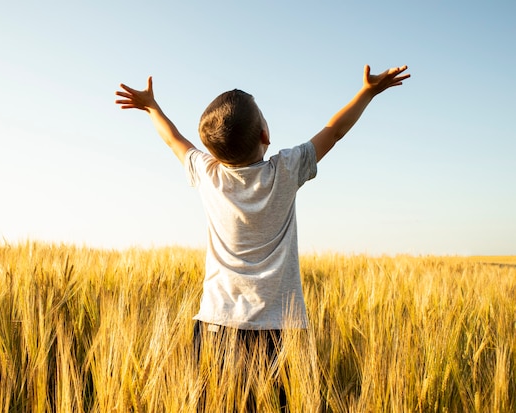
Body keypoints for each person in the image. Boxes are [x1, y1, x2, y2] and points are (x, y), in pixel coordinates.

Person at [115, 64, 410, 410]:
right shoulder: (286, 170)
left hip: (216, 327)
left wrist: (151, 107)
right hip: (280, 330)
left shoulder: (208, 174)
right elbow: (334, 132)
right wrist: (367, 93)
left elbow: (173, 139)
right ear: (265, 136)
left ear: (213, 154)